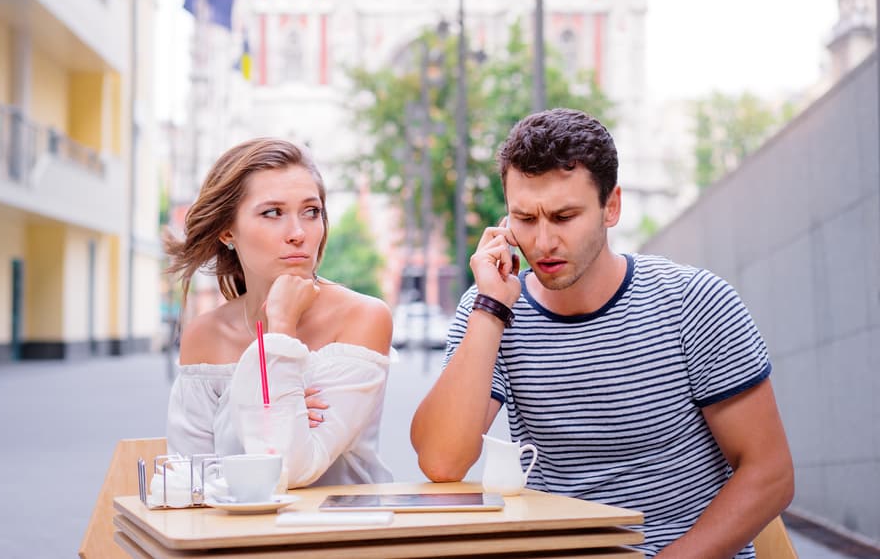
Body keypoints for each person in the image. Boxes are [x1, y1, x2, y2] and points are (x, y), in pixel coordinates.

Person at [411, 109, 793, 557]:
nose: (543, 242)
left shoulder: (692, 301)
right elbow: (441, 461)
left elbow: (770, 473)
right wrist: (491, 309)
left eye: (564, 216)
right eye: (525, 219)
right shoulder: (492, 308)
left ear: (611, 206)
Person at [164, 137, 393, 487]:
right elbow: (188, 481)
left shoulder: (362, 318)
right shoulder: (204, 335)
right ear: (227, 230)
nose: (298, 233)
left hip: (342, 536)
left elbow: (288, 469)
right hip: (233, 538)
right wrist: (279, 401)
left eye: (311, 212)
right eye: (273, 213)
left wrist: (280, 329)